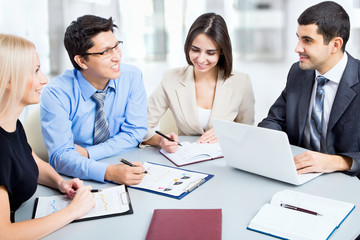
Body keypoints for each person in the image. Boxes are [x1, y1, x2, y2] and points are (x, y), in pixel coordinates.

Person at [0, 34, 95, 238]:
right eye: (35, 71)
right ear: (8, 79)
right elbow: (4, 234)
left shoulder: (11, 124)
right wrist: (73, 212)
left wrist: (60, 183)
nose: (44, 79)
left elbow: (28, 161)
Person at [40, 15, 147, 184]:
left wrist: (90, 153)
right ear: (81, 61)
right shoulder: (56, 93)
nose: (117, 57)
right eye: (106, 52)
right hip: (78, 176)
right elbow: (60, 156)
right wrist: (109, 172)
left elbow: (135, 132)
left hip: (125, 161)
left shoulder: (132, 77)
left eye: (117, 47)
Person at [258, 1, 360, 176]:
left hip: (346, 183)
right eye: (298, 38)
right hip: (299, 176)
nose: (297, 48)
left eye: (307, 40)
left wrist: (337, 161)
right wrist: (269, 145)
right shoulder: (298, 72)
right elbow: (275, 120)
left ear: (335, 45)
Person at [142, 12, 255, 153]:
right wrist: (161, 140)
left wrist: (228, 133)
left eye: (210, 53)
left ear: (222, 52)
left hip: (226, 159)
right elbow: (141, 126)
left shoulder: (241, 81)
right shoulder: (170, 79)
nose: (201, 59)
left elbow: (249, 130)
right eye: (195, 50)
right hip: (185, 159)